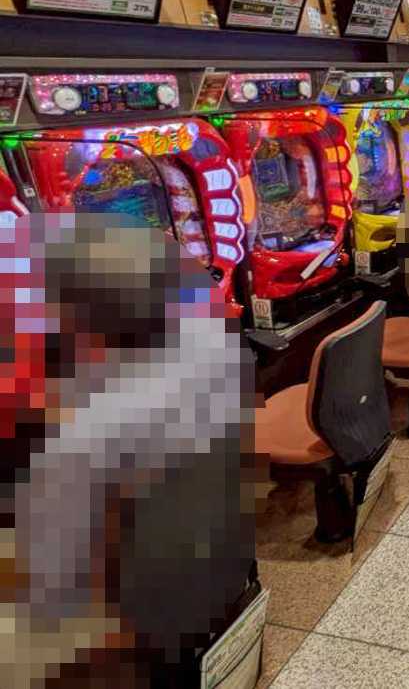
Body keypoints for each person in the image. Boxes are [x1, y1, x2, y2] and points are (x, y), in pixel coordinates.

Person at [4, 212, 256, 687]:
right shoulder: (212, 349)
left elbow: (52, 587)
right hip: (219, 550)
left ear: (72, 318)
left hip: (140, 605)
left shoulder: (80, 441)